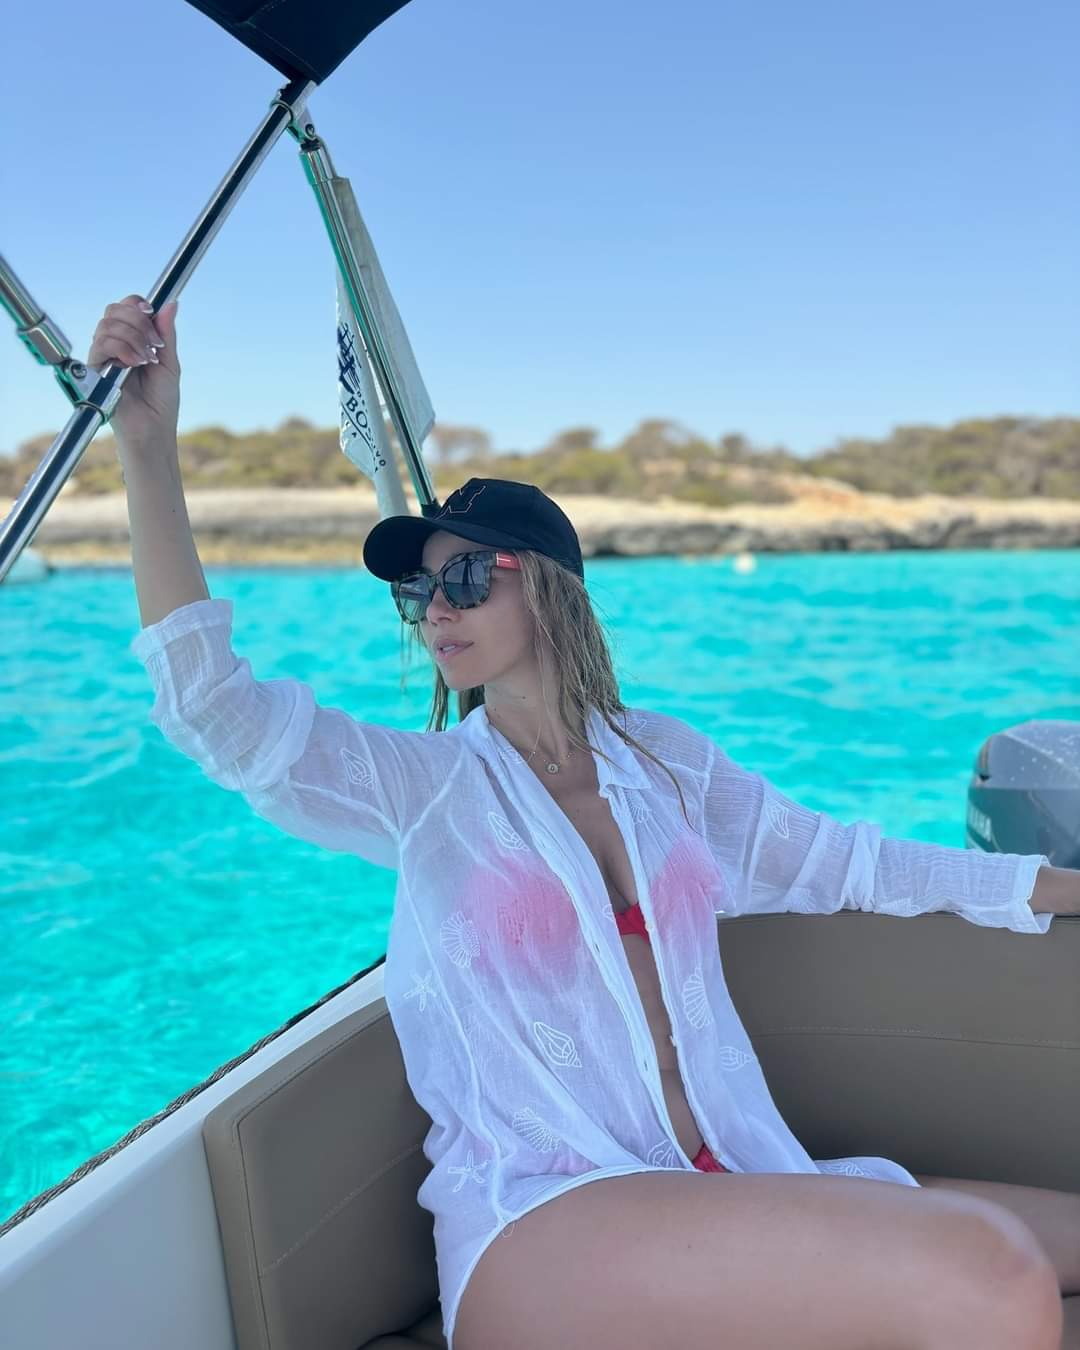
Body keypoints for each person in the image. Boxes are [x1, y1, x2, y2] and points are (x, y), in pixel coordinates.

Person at [91, 295, 1072, 1350]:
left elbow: (858, 864)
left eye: (467, 577)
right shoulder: (428, 791)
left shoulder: (669, 766)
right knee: (994, 1278)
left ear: (551, 589)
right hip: (544, 1215)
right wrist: (147, 449)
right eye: (420, 592)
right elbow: (216, 712)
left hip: (732, 1169)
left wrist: (1067, 889)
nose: (437, 609)